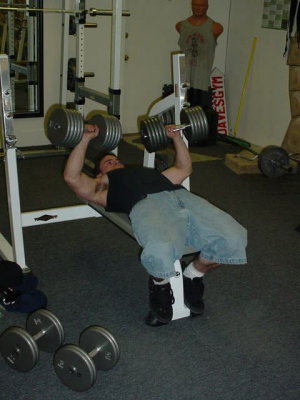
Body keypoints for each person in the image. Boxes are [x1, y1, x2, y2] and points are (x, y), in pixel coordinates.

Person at [64, 124, 247, 326]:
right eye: (108, 162)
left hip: (182, 197)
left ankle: (193, 275)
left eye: (117, 160)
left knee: (233, 237)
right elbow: (72, 177)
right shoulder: (102, 186)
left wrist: (176, 138)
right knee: (160, 249)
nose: (115, 161)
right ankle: (160, 285)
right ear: (98, 174)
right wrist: (84, 140)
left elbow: (185, 169)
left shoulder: (150, 174)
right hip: (146, 204)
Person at [176, 0, 223, 108]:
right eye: (195, 5)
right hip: (184, 79)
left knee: (201, 118)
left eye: (201, 6)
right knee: (184, 115)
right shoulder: (181, 26)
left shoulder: (215, 27)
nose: (198, 8)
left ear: (207, 7)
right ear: (191, 6)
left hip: (202, 80)